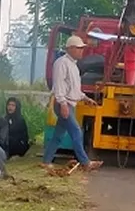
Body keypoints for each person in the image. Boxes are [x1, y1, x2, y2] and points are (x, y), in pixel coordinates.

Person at [42, 35, 103, 171]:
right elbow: (59, 86)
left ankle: (46, 161)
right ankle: (85, 162)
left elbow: (74, 89)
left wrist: (86, 98)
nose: (82, 51)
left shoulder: (74, 66)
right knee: (76, 132)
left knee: (58, 135)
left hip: (70, 104)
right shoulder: (61, 63)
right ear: (70, 49)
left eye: (82, 48)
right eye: (79, 48)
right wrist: (63, 104)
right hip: (64, 104)